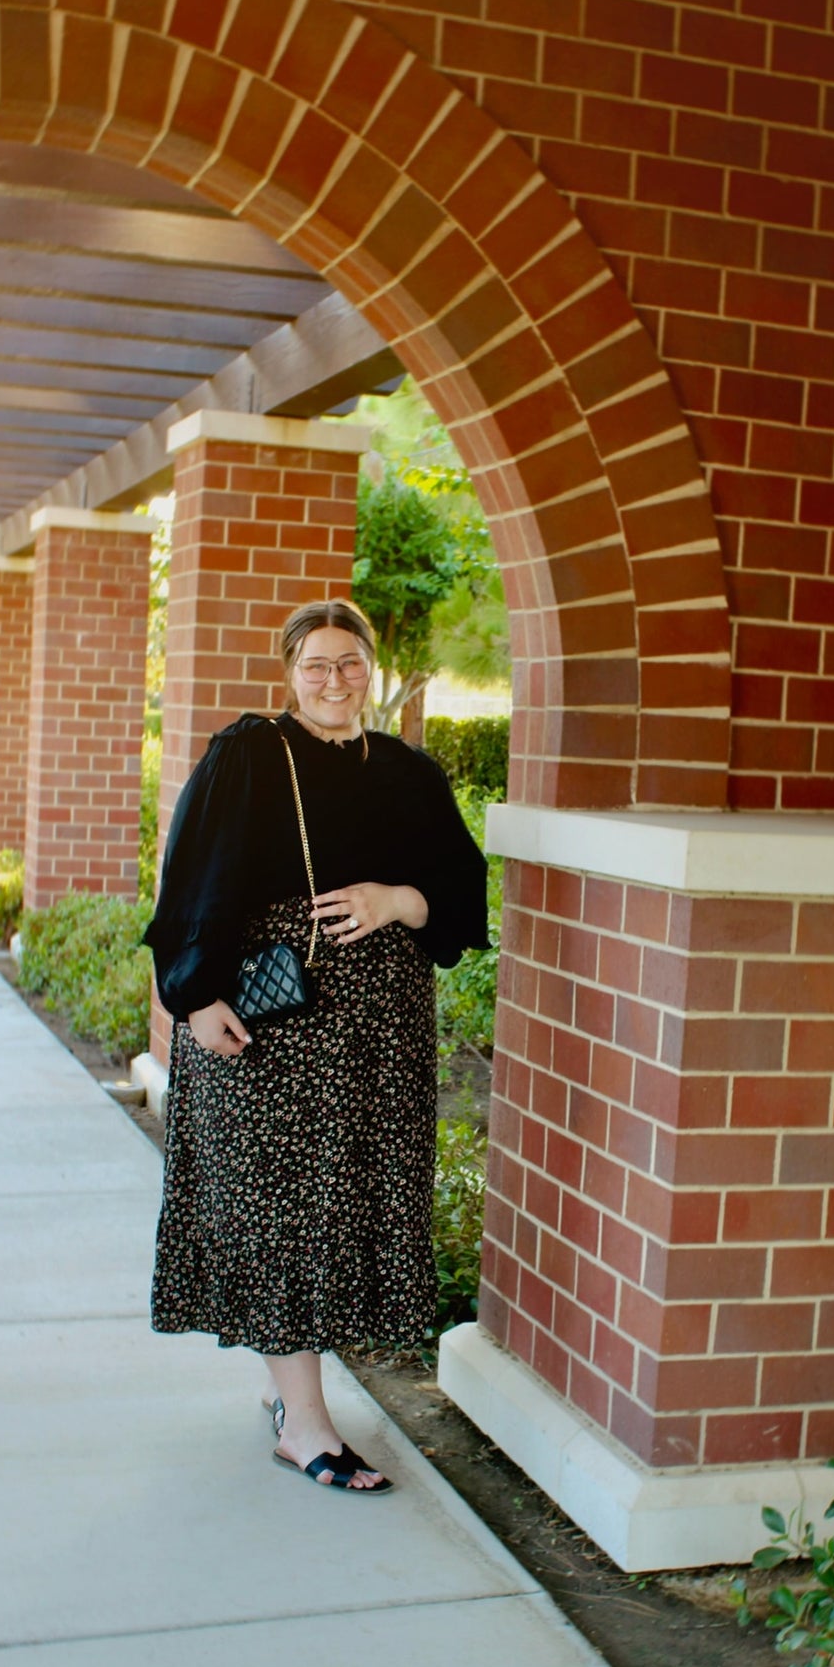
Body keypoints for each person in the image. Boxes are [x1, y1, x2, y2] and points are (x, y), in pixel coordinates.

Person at [145, 600, 490, 1494]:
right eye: (316, 665)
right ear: (289, 672)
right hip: (272, 1020)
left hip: (378, 1027)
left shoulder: (409, 771)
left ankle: (290, 1395)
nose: (334, 681)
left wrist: (395, 900)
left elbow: (460, 891)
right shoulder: (251, 755)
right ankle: (304, 1422)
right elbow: (189, 878)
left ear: (370, 666)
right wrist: (193, 998)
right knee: (281, 1207)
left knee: (348, 1207)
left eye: (349, 663)